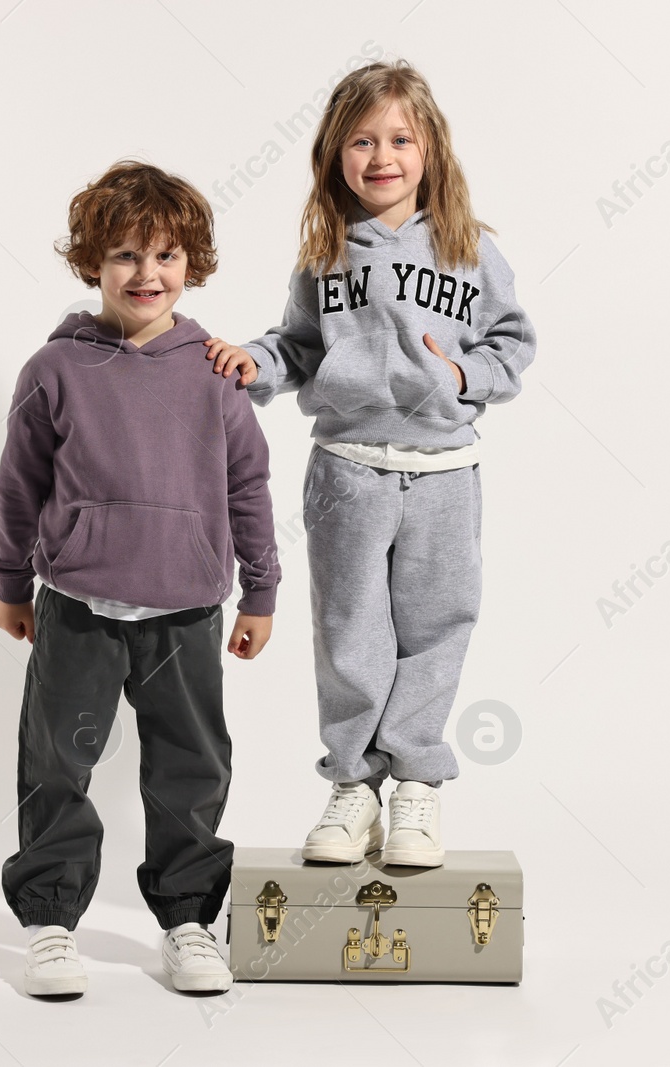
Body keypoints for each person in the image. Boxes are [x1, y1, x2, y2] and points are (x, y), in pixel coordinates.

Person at [203, 60, 535, 868]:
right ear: (333, 154)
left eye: (398, 139)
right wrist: (254, 361)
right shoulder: (324, 257)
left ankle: (417, 783)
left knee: (436, 626)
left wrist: (462, 377)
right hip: (347, 471)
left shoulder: (470, 248)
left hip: (445, 472)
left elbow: (513, 343)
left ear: (430, 150)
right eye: (361, 140)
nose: (380, 156)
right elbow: (297, 346)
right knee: (350, 632)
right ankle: (354, 785)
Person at [0, 160, 280, 997]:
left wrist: (260, 591)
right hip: (77, 603)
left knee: (191, 765)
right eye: (124, 255)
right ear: (92, 265)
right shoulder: (55, 369)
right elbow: (20, 486)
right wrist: (12, 581)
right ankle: (50, 922)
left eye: (164, 256)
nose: (146, 275)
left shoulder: (217, 374)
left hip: (187, 610)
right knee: (57, 762)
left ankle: (187, 919)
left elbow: (248, 488)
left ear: (192, 263)